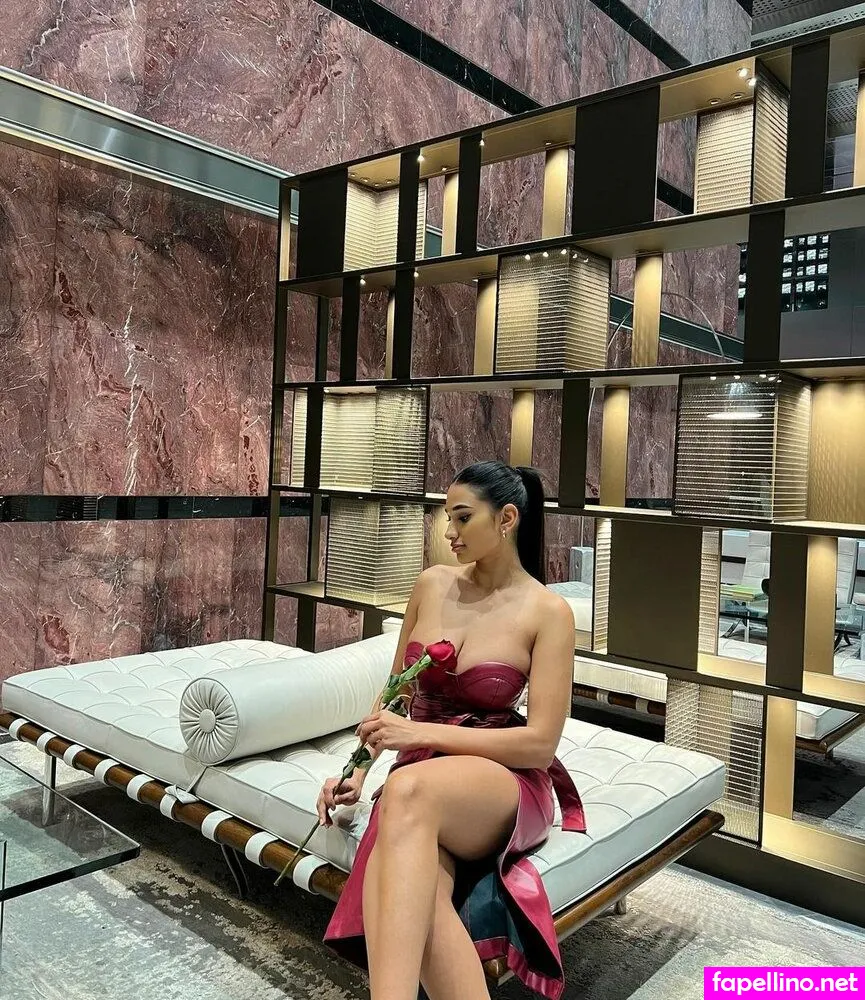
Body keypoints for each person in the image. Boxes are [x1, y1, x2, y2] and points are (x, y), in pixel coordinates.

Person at [319, 461, 587, 1000]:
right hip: (424, 776)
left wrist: (420, 737)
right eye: (448, 518)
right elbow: (396, 692)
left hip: (505, 777)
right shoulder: (431, 584)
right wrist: (358, 770)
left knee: (407, 791)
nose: (449, 532)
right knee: (424, 898)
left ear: (506, 518)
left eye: (463, 518)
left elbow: (539, 745)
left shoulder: (548, 611)